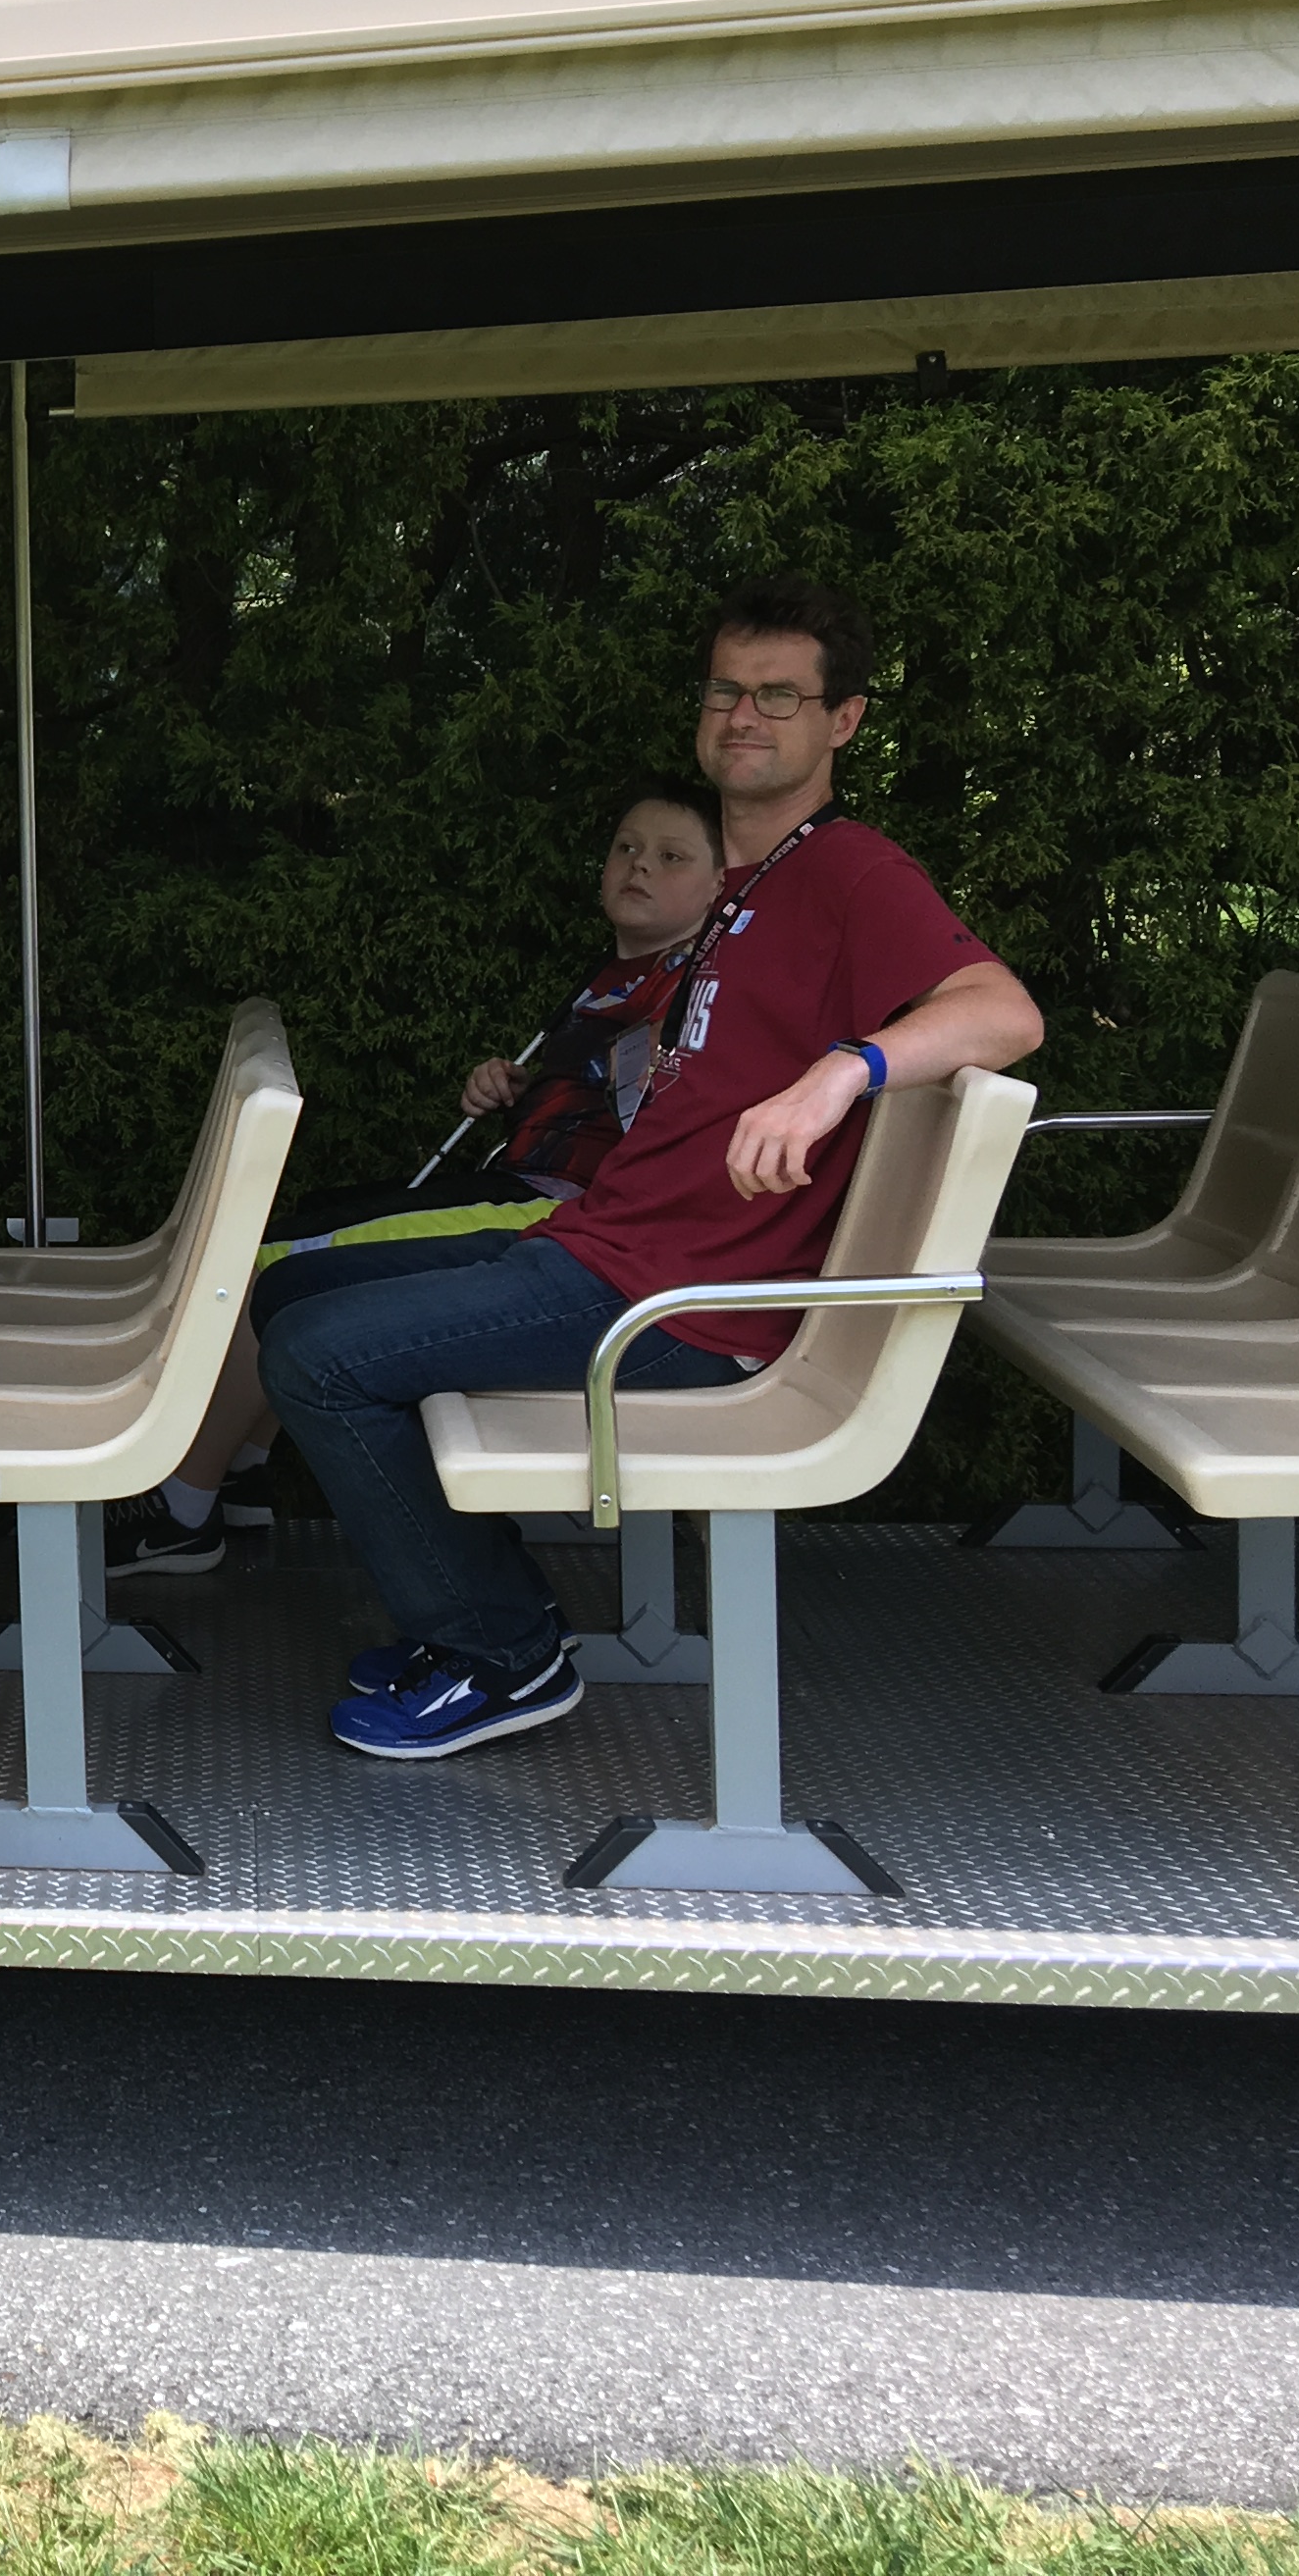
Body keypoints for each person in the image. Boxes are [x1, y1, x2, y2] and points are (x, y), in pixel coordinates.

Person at [259, 575, 1043, 1759]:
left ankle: (503, 1651)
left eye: (782, 697)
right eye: (728, 690)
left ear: (845, 723)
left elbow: (1004, 1012)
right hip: (613, 1245)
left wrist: (844, 1074)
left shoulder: (847, 870)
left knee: (315, 1358)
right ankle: (468, 1610)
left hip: (683, 1300)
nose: (746, 717)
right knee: (285, 1292)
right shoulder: (739, 888)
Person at [100, 780, 725, 1580]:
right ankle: (241, 1472)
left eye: (671, 857)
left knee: (266, 1268)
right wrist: (521, 1089)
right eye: (626, 849)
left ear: (720, 887)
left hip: (553, 1222)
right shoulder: (614, 975)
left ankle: (184, 1514)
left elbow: (665, 1122)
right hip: (525, 1185)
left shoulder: (686, 989)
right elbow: (595, 1099)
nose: (638, 867)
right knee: (292, 1238)